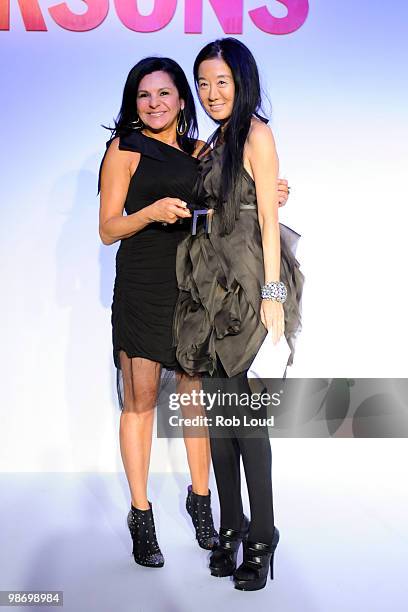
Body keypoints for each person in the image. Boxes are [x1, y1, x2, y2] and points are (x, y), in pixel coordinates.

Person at [99, 56, 291, 569]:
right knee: (140, 400)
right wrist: (151, 212)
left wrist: (269, 192)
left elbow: (231, 196)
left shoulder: (203, 148)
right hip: (143, 286)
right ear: (134, 103)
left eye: (166, 94)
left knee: (201, 403)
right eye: (144, 95)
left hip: (197, 287)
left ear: (182, 101)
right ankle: (141, 517)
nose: (155, 103)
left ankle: (207, 507)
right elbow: (107, 228)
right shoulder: (123, 148)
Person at [174, 38, 304, 590]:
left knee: (247, 425)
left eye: (220, 82)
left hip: (249, 285)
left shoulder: (256, 132)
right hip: (208, 289)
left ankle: (264, 535)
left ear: (242, 81)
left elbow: (270, 224)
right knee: (222, 421)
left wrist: (273, 292)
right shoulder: (211, 143)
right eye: (202, 83)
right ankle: (232, 525)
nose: (210, 93)